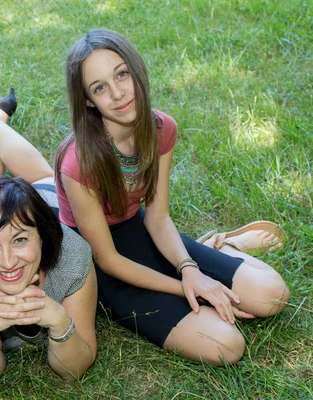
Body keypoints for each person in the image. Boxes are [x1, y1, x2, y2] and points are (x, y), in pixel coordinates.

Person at [54, 28, 290, 365]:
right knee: (225, 346)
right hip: (99, 261)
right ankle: (209, 253)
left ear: (135, 70)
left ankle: (221, 246)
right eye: (100, 87)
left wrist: (190, 269)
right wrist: (189, 287)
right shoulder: (79, 161)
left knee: (273, 296)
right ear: (88, 100)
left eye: (122, 74)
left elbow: (157, 215)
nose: (119, 93)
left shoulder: (162, 128)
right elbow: (107, 259)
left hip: (142, 231)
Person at [0, 99, 97, 381]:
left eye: (20, 241)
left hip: (47, 202)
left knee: (40, 176)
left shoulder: (73, 255)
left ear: (41, 238)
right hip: (1, 216)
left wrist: (62, 323)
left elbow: (74, 369)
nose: (8, 261)